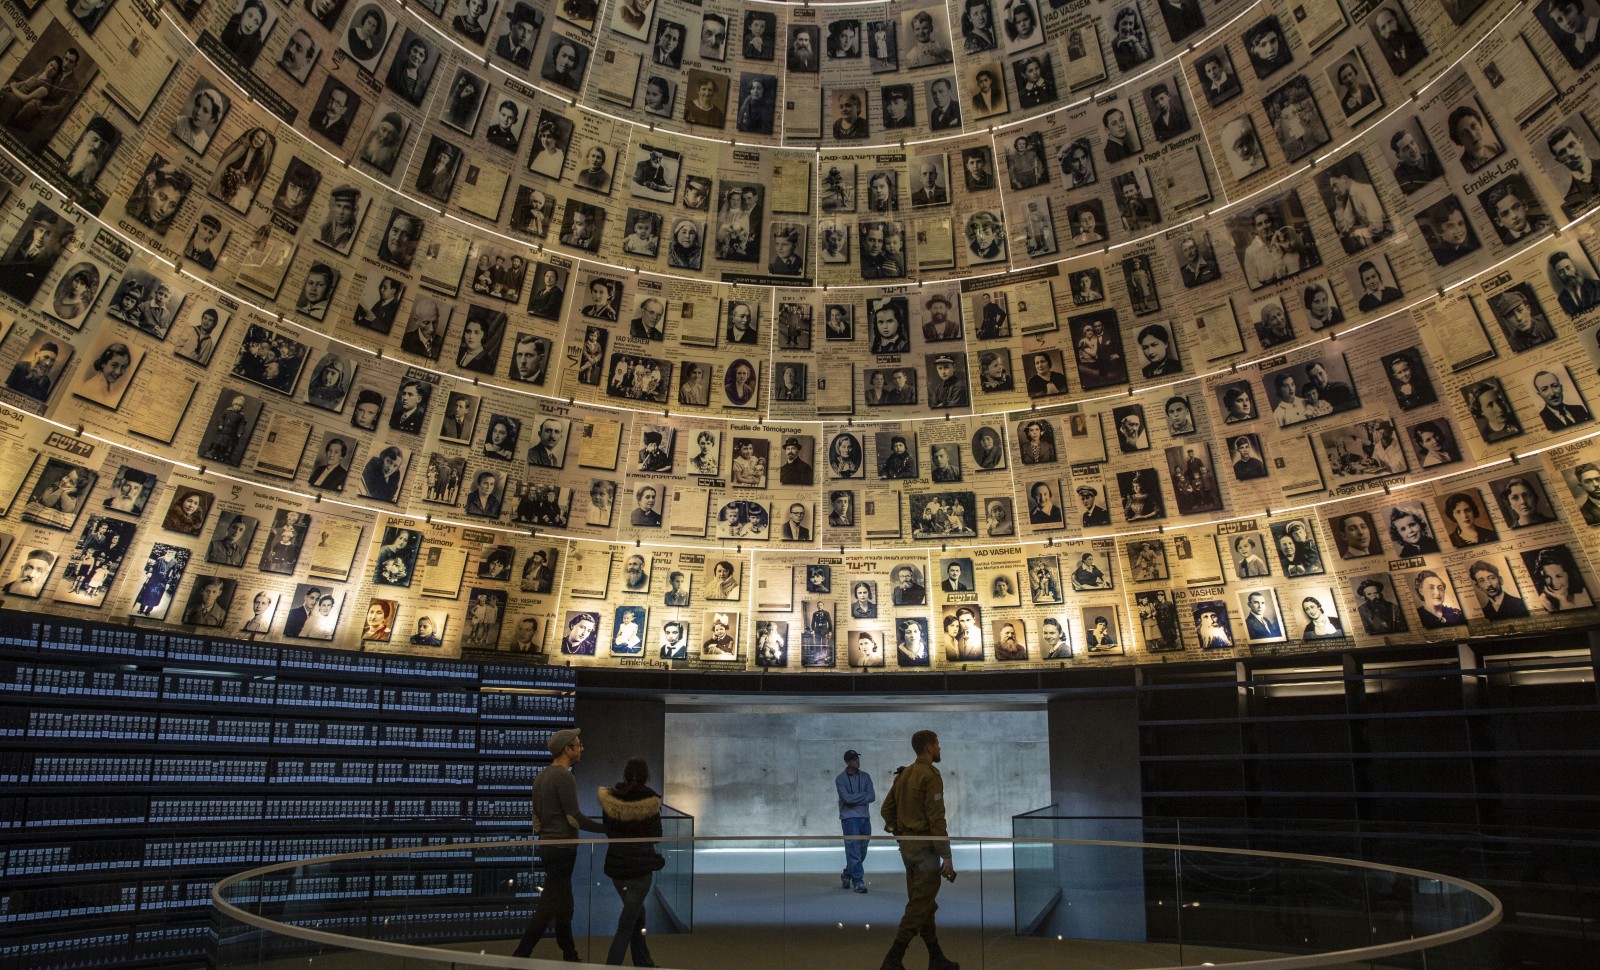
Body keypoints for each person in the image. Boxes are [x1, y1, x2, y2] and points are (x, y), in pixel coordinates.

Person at [512, 729, 606, 961]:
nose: (581, 748)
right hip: (562, 849)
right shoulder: (564, 776)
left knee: (565, 905)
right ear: (567, 749)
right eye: (578, 744)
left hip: (547, 846)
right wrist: (607, 829)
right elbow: (574, 818)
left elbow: (536, 819)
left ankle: (570, 955)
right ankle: (519, 957)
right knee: (549, 906)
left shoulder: (541, 777)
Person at [877, 729, 957, 970]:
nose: (940, 749)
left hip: (908, 850)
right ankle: (893, 959)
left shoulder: (904, 775)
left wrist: (901, 835)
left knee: (925, 903)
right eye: (938, 745)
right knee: (919, 905)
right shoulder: (930, 775)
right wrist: (947, 855)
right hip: (925, 850)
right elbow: (937, 819)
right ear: (929, 748)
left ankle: (936, 958)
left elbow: (886, 810)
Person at [597, 757, 663, 967]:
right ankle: (611, 965)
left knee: (636, 917)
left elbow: (608, 829)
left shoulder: (612, 798)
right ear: (646, 776)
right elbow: (656, 836)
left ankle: (644, 962)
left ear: (625, 774)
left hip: (617, 870)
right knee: (627, 925)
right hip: (641, 871)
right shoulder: (651, 800)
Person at [836, 749, 876, 893]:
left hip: (864, 817)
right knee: (853, 849)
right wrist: (862, 796)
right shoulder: (840, 779)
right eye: (853, 759)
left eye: (857, 759)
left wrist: (855, 798)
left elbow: (872, 796)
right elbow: (846, 799)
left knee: (862, 849)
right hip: (849, 818)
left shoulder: (866, 776)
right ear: (847, 762)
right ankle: (858, 881)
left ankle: (847, 873)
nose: (857, 761)